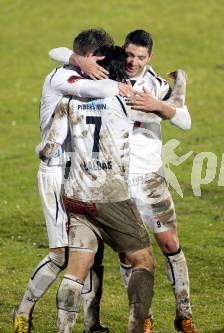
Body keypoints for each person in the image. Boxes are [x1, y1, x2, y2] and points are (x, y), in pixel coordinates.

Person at [48, 29, 197, 333]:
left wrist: (160, 107)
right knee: (130, 255)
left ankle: (184, 313)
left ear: (149, 57)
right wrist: (78, 59)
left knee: (168, 243)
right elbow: (57, 52)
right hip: (114, 183)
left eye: (140, 57)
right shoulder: (107, 78)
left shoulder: (156, 85)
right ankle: (143, 319)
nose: (133, 61)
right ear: (121, 52)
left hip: (149, 179)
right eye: (129, 54)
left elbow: (185, 121)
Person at [11, 28, 131, 333]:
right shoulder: (61, 78)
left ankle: (92, 323)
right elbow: (97, 91)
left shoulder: (78, 68)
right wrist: (119, 85)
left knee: (90, 250)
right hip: (55, 173)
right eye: (99, 61)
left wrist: (78, 58)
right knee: (60, 255)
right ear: (91, 58)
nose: (102, 67)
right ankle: (22, 311)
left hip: (81, 175)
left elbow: (59, 49)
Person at [38, 45, 156, 333]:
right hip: (109, 196)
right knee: (144, 261)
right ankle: (136, 329)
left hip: (75, 195)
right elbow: (165, 113)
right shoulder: (127, 98)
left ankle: (63, 330)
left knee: (76, 270)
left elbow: (49, 148)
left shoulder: (69, 101)